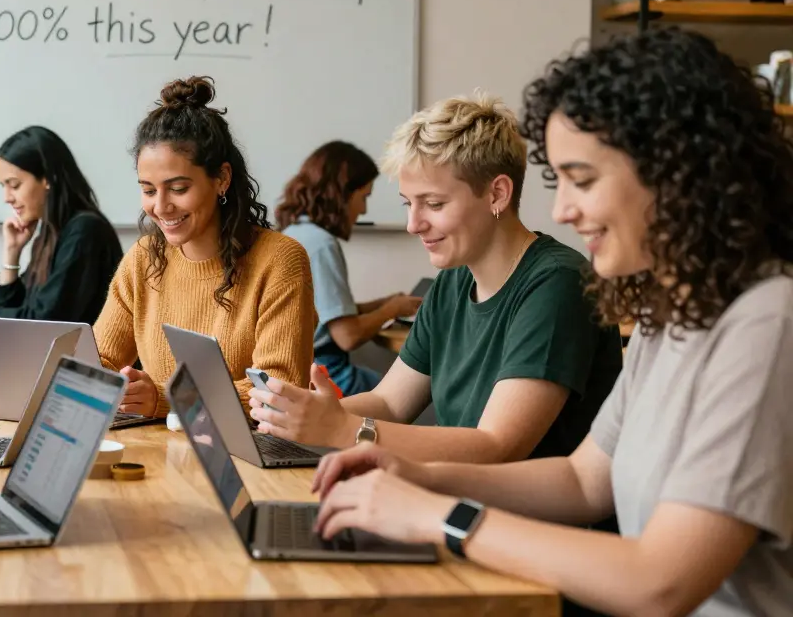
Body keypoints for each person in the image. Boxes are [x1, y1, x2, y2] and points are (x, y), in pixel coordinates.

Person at [310, 27, 793, 617]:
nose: (562, 209)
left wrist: (438, 515)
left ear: (678, 175)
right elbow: (581, 481)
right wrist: (417, 475)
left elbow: (661, 582)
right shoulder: (671, 317)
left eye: (582, 180)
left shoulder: (768, 323)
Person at [250, 93, 622, 464]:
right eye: (408, 204)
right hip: (461, 502)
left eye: (434, 204)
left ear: (498, 193)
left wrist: (342, 429)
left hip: (525, 519)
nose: (414, 224)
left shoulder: (558, 283)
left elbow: (499, 446)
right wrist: (301, 415)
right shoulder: (452, 282)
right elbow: (389, 402)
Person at [93, 76, 317, 417]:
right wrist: (113, 382)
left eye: (178, 188)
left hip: (249, 455)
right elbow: (100, 359)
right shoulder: (144, 258)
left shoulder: (280, 260)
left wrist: (166, 401)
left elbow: (279, 387)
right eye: (149, 190)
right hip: (157, 448)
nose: (161, 207)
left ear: (222, 179)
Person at [275, 141, 422, 396]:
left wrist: (382, 303)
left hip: (299, 370)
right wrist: (391, 310)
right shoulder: (321, 244)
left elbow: (327, 316)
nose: (363, 209)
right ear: (341, 193)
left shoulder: (295, 232)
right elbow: (347, 336)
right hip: (325, 374)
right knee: (408, 397)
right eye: (363, 197)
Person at [0, 126, 122, 325]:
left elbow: (46, 325)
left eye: (14, 185)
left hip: (88, 357)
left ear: (47, 179)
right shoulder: (51, 233)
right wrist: (12, 251)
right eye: (4, 186)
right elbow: (19, 310)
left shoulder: (84, 232)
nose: (6, 198)